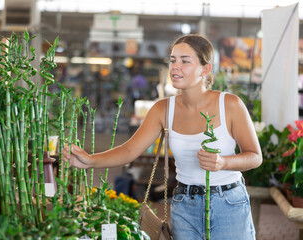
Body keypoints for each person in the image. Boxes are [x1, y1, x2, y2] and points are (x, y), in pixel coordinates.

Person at [63, 34, 262, 240]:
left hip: (228, 202)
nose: (175, 66)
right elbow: (130, 150)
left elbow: (255, 156)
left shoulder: (230, 104)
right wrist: (90, 160)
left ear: (206, 69)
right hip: (185, 205)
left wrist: (222, 162)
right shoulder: (163, 109)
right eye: (173, 60)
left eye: (185, 61)